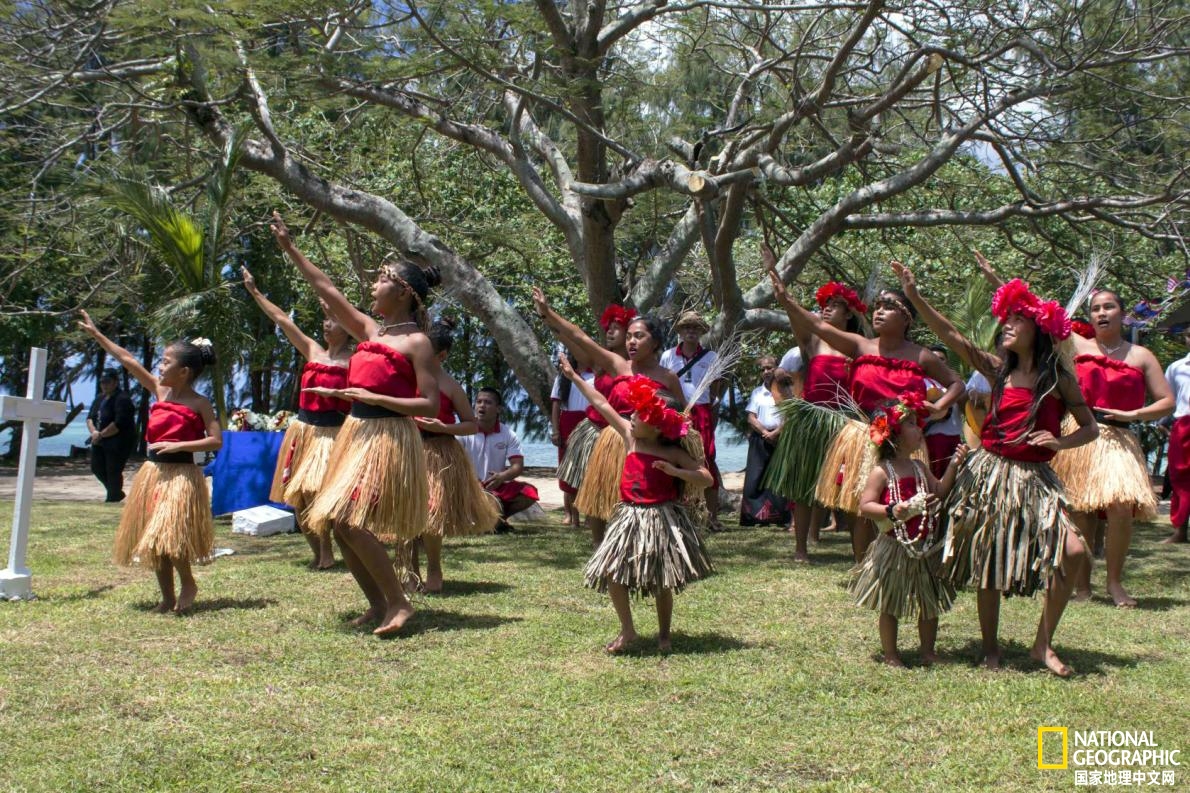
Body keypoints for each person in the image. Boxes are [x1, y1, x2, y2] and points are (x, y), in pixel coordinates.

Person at [892, 261, 1097, 676]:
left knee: (1074, 552)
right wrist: (915, 297)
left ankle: (1043, 643)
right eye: (1007, 319)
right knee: (988, 560)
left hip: (1036, 479)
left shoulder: (1057, 378)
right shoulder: (996, 370)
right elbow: (950, 334)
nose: (1006, 326)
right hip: (992, 473)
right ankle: (990, 647)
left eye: (1017, 320)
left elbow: (1091, 428)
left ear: (1036, 330)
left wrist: (1060, 441)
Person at [272, 212, 440, 637]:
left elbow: (430, 403)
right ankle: (379, 603)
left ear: (402, 292)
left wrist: (375, 398)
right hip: (357, 434)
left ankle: (399, 603)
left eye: (380, 278)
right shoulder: (369, 331)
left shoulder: (416, 342)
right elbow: (325, 288)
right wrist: (291, 248)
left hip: (388, 436)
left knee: (348, 520)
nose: (371, 286)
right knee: (337, 521)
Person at [975, 254, 1174, 607]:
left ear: (1122, 313)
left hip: (1118, 438)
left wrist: (1133, 412)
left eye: (1109, 306)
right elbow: (1034, 316)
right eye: (1096, 307)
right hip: (1079, 434)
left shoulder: (1141, 355)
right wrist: (997, 280)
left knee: (1119, 507)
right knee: (1079, 509)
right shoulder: (1078, 346)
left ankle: (1114, 582)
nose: (1101, 313)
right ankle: (1082, 585)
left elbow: (1166, 402)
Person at [764, 246, 964, 562]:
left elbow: (957, 383)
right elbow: (817, 326)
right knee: (864, 504)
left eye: (889, 307)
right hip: (864, 435)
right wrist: (784, 294)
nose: (879, 311)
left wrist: (940, 407)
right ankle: (865, 565)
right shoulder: (860, 345)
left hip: (907, 439)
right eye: (878, 307)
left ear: (907, 317)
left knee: (908, 499)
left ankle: (908, 556)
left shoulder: (921, 355)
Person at [559, 355, 714, 653]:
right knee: (613, 574)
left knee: (661, 581)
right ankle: (627, 630)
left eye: (639, 414)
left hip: (661, 519)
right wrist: (575, 378)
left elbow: (705, 478)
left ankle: (664, 634)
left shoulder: (670, 453)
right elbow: (602, 404)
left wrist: (677, 472)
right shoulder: (631, 439)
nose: (631, 416)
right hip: (628, 518)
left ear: (655, 426)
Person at [77, 312, 221, 614]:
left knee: (169, 535)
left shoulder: (199, 403)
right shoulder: (159, 389)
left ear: (183, 371)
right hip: (153, 472)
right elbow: (128, 359)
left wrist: (179, 444)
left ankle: (188, 583)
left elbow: (215, 441)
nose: (160, 365)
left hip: (182, 476)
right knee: (153, 539)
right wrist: (97, 335)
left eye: (166, 362)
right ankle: (167, 597)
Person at [533, 288, 685, 545]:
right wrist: (548, 313)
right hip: (614, 438)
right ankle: (599, 545)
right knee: (600, 495)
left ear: (656, 342)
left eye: (639, 336)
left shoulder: (667, 378)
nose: (631, 342)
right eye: (629, 337)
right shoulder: (618, 364)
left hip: (648, 445)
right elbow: (580, 336)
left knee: (636, 497)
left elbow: (681, 413)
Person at [242, 266, 351, 571]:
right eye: (326, 320)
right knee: (298, 494)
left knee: (320, 492)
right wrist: (254, 291)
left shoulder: (354, 361)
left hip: (332, 432)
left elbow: (360, 399)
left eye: (334, 322)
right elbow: (282, 319)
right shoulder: (313, 350)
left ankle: (329, 549)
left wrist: (340, 397)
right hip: (302, 431)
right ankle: (318, 551)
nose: (327, 325)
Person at [853, 394, 966, 667]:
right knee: (890, 602)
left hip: (923, 545)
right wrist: (892, 511)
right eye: (912, 424)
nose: (920, 429)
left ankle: (928, 651)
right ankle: (890, 654)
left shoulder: (918, 467)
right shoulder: (883, 471)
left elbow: (939, 490)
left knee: (928, 600)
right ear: (894, 434)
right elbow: (865, 505)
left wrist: (954, 465)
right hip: (894, 546)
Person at [410, 321, 501, 590]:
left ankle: (434, 569)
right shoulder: (409, 376)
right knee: (406, 509)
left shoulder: (449, 385)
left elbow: (471, 424)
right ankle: (410, 569)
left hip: (439, 451)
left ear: (441, 356)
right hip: (409, 448)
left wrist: (444, 427)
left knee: (431, 511)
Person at [660, 311, 725, 530]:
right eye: (687, 327)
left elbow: (714, 389)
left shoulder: (710, 357)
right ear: (680, 331)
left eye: (695, 328)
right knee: (677, 458)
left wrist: (704, 408)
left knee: (706, 460)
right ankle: (679, 513)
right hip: (676, 413)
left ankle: (711, 517)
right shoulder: (668, 356)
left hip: (701, 412)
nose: (691, 331)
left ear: (700, 332)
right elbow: (662, 387)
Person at [460, 387, 540, 528]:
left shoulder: (508, 434)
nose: (482, 405)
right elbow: (453, 462)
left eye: (488, 402)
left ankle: (499, 518)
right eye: (479, 401)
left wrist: (502, 477)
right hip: (467, 487)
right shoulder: (463, 431)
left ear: (498, 409)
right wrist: (469, 480)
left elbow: (517, 466)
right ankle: (487, 520)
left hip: (495, 487)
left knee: (529, 493)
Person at [739, 357, 792, 527]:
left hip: (781, 438)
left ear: (777, 368)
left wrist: (776, 432)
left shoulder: (786, 392)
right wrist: (764, 432)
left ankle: (780, 517)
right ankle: (755, 517)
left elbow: (789, 416)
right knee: (755, 477)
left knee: (779, 478)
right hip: (759, 438)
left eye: (769, 368)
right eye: (762, 369)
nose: (766, 372)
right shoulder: (757, 392)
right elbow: (751, 417)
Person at [550, 352, 593, 527]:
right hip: (567, 423)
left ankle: (590, 514)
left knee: (589, 470)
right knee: (568, 471)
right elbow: (555, 404)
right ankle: (570, 514)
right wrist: (555, 430)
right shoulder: (563, 376)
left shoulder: (595, 375)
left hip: (589, 422)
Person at [86, 369, 136, 503]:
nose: (104, 385)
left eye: (107, 382)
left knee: (113, 470)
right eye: (102, 382)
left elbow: (119, 423)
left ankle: (112, 498)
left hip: (118, 441)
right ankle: (116, 493)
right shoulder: (99, 398)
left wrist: (101, 435)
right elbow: (90, 418)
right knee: (96, 468)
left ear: (115, 382)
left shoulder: (123, 399)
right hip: (99, 439)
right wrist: (94, 432)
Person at [1164, 327, 1190, 544]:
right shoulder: (1176, 368)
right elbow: (1167, 400)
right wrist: (1162, 425)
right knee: (1180, 478)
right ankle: (1180, 532)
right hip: (1183, 427)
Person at [924, 345, 966, 479]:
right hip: (931, 439)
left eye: (941, 359)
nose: (938, 362)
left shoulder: (956, 384)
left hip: (955, 438)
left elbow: (966, 407)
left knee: (956, 478)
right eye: (934, 358)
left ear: (946, 363)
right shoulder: (921, 382)